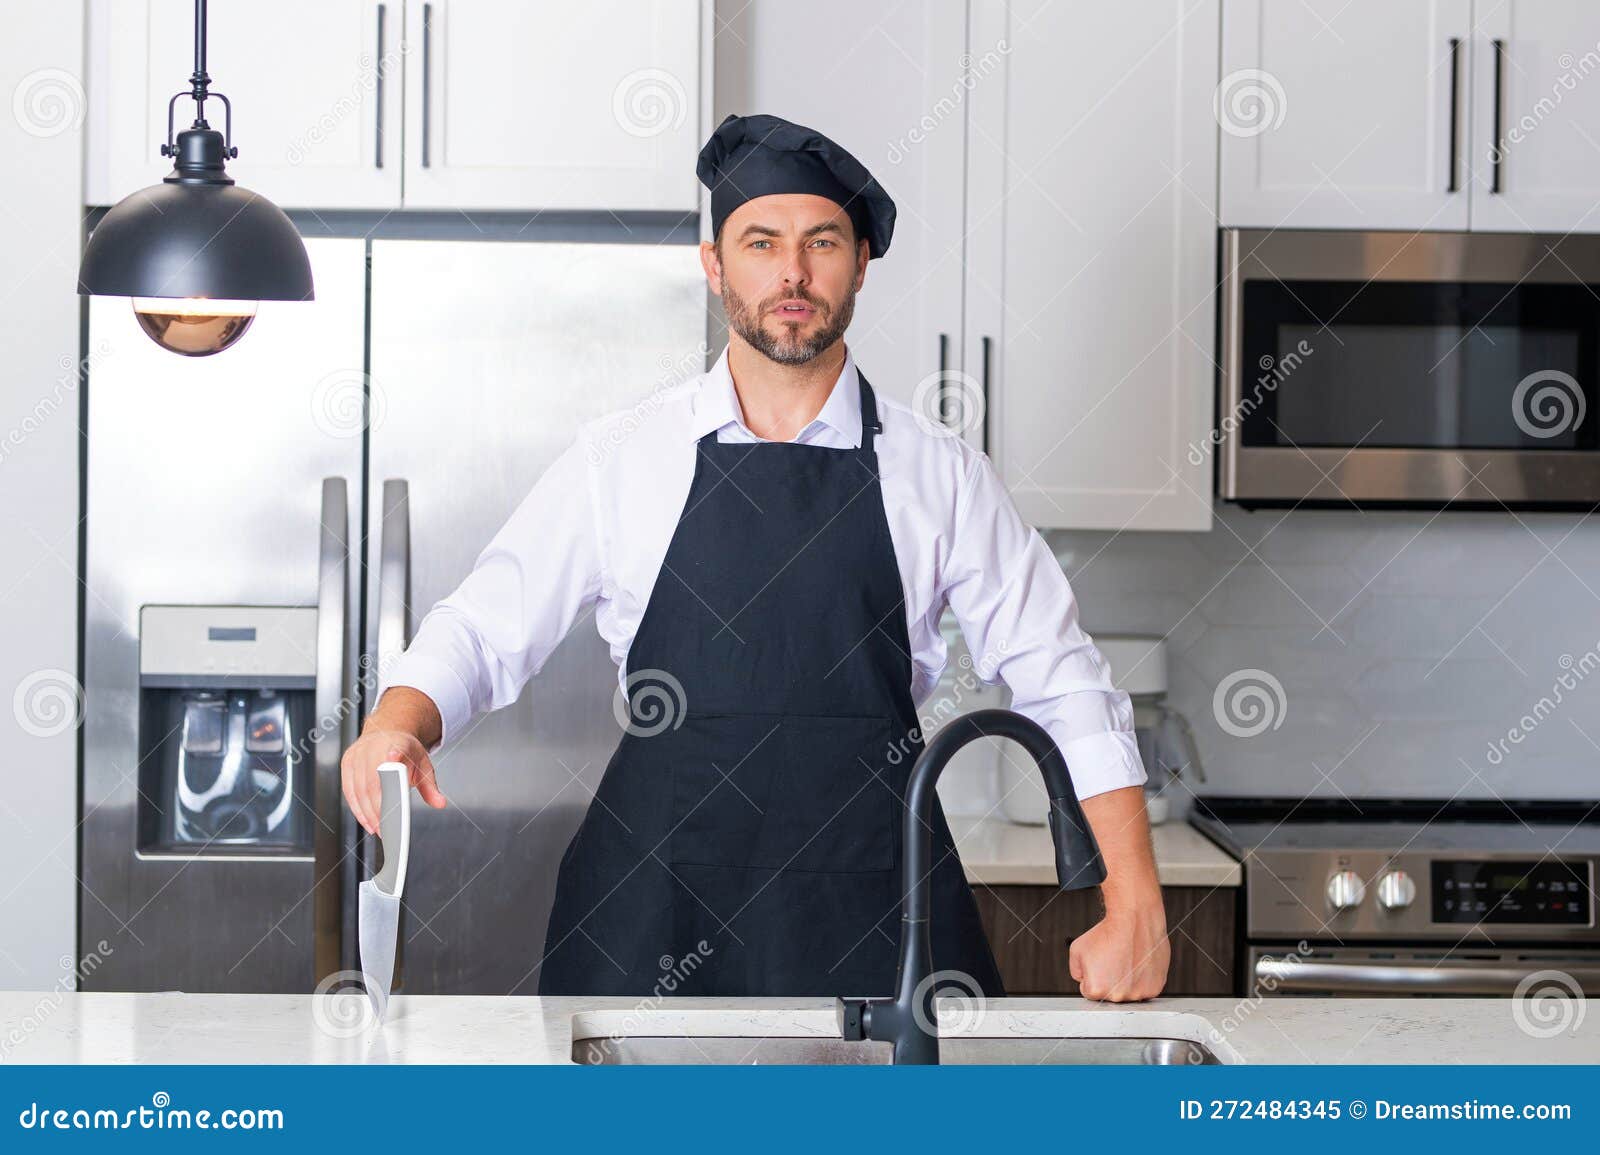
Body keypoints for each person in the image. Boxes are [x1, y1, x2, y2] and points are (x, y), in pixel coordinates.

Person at [342, 113, 1170, 1002]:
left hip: (879, 922)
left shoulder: (943, 475)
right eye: (761, 242)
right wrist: (399, 718)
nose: (792, 274)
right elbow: (482, 626)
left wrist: (1135, 899)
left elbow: (1062, 678)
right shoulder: (621, 456)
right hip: (649, 922)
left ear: (859, 262)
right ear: (714, 263)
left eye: (821, 243)